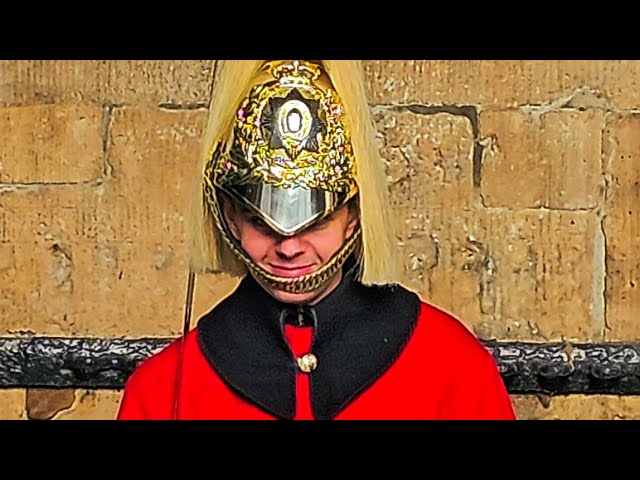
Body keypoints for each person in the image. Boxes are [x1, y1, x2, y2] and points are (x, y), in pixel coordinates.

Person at [116, 60, 517, 420]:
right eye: (262, 223)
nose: (289, 247)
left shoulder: (453, 366)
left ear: (354, 216)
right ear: (231, 217)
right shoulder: (161, 388)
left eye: (315, 223)